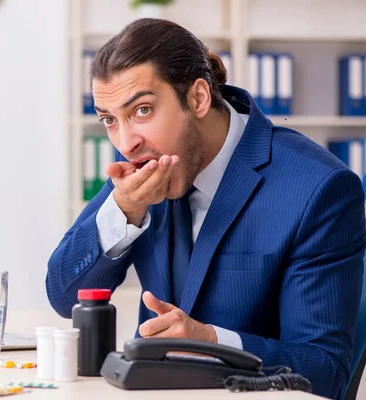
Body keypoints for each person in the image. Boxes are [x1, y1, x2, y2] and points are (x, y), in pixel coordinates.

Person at [45, 18, 366, 400]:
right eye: (110, 120)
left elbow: (325, 371)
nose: (126, 141)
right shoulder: (142, 161)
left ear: (197, 98)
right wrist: (124, 208)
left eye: (143, 110)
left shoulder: (318, 188)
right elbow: (65, 297)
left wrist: (211, 343)